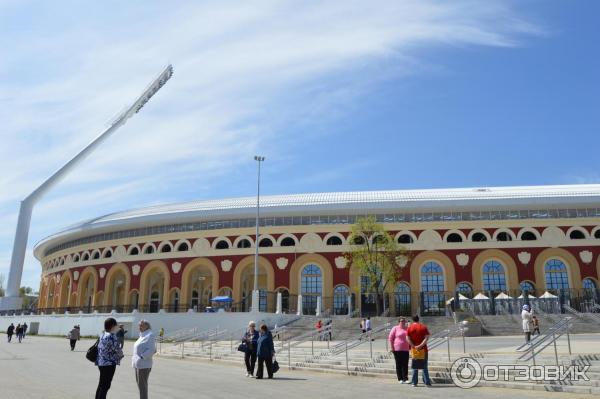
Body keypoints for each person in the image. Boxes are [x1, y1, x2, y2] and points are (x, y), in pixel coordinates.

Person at [95, 317, 124, 399]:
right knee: (105, 386)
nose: (117, 326)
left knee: (101, 384)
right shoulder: (112, 336)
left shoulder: (103, 334)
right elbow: (117, 350)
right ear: (112, 326)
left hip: (101, 362)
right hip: (109, 364)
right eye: (116, 325)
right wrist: (121, 355)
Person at [132, 319, 156, 399]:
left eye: (141, 325)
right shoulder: (142, 335)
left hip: (144, 365)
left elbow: (152, 349)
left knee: (142, 386)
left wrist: (141, 357)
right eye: (139, 325)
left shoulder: (150, 335)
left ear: (147, 326)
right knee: (140, 385)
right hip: (138, 364)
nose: (139, 327)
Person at [406, 315, 431, 387]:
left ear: (412, 320)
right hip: (423, 349)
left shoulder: (409, 328)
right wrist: (420, 345)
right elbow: (426, 338)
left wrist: (414, 346)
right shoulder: (423, 327)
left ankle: (414, 382)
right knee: (424, 366)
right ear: (418, 319)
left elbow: (407, 338)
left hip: (414, 350)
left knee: (415, 366)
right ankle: (427, 383)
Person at [389, 317, 410, 383]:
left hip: (406, 349)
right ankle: (400, 378)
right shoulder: (395, 328)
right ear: (399, 322)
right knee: (398, 364)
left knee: (405, 364)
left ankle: (405, 378)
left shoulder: (407, 328)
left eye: (404, 321)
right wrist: (392, 348)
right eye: (401, 321)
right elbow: (390, 338)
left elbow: (410, 338)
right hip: (397, 349)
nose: (403, 322)